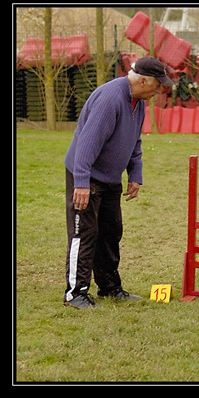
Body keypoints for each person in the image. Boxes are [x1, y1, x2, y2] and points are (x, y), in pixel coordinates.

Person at [63, 57, 174, 309]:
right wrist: (81, 182)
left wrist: (135, 174)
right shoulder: (110, 99)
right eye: (158, 85)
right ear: (143, 80)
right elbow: (87, 143)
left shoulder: (139, 102)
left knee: (111, 232)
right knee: (84, 233)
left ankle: (110, 288)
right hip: (87, 175)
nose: (160, 90)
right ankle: (75, 293)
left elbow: (134, 141)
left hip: (110, 178)